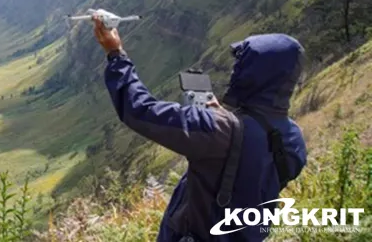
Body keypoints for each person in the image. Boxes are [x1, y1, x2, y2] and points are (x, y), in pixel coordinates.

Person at [92, 15, 307, 242]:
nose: (235, 70)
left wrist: (116, 54)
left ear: (254, 75)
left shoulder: (217, 129)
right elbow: (251, 172)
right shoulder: (294, 140)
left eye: (241, 64)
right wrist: (228, 118)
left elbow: (139, 110)